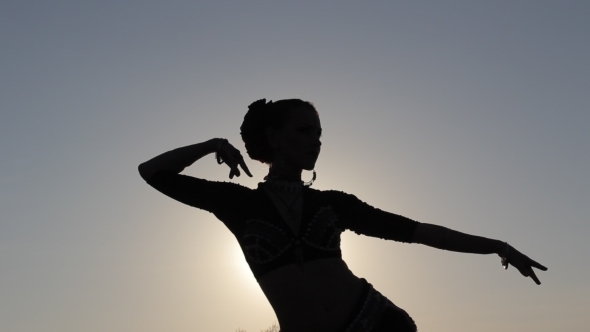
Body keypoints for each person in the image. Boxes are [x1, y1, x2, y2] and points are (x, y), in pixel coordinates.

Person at [138, 99, 547, 332]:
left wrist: (496, 246)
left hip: (376, 325)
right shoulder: (238, 204)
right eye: (304, 131)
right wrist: (211, 144)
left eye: (319, 134)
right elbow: (152, 172)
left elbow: (419, 232)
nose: (315, 142)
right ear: (274, 136)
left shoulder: (333, 203)